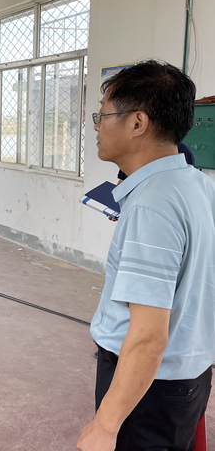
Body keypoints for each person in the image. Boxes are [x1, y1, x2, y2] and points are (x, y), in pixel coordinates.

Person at [77, 60, 215, 451]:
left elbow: (149, 335)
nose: (96, 127)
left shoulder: (151, 205)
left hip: (149, 389)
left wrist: (105, 426)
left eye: (102, 115)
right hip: (188, 377)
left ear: (138, 122)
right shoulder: (197, 184)